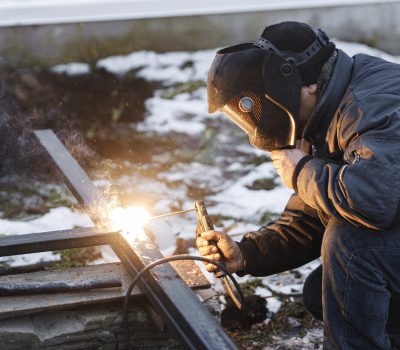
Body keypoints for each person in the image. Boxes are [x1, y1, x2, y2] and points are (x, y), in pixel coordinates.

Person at [197, 21, 400, 350]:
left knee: (354, 247)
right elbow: (312, 213)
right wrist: (246, 254)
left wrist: (302, 170)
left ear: (305, 86)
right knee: (328, 291)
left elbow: (374, 201)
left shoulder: (370, 106)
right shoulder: (331, 109)